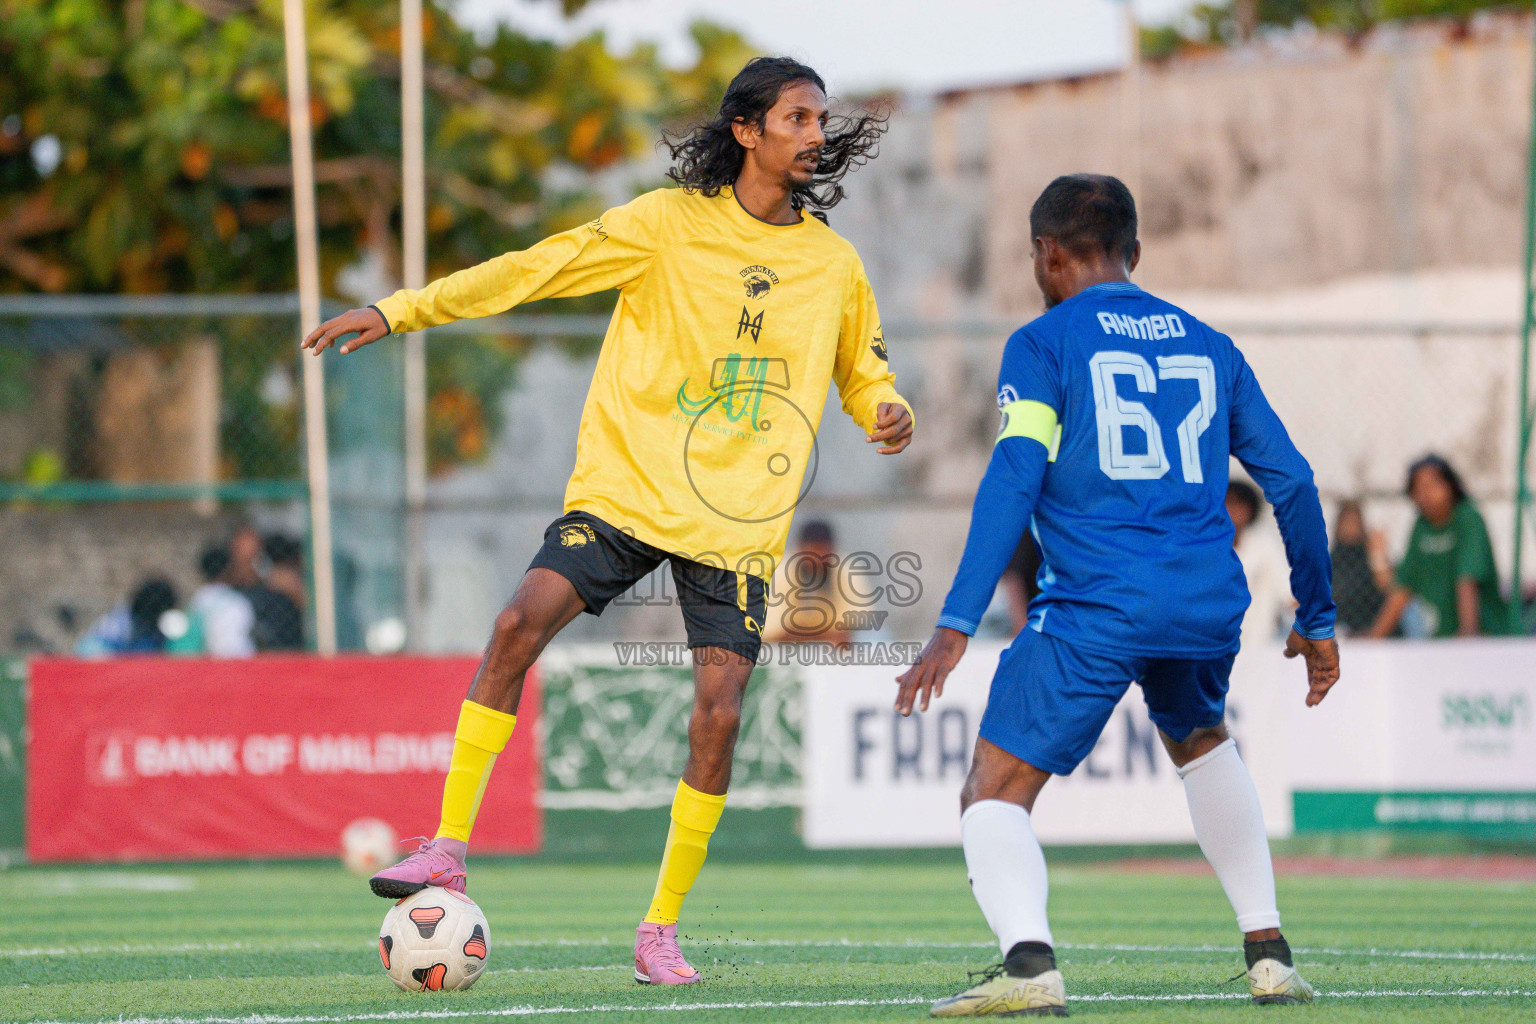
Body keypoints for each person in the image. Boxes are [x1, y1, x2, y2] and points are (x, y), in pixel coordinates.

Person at [301, 57, 913, 985]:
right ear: (746, 130)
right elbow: (535, 271)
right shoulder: (663, 224)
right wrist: (401, 310)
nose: (815, 134)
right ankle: (448, 845)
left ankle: (659, 929)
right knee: (515, 623)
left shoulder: (833, 261)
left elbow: (861, 368)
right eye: (796, 117)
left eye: (819, 119)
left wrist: (883, 409)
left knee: (718, 716)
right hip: (626, 493)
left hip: (738, 523)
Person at [896, 174, 1338, 1016]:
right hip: (1208, 599)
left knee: (993, 790)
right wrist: (1318, 619)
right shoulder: (1211, 343)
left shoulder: (1043, 342)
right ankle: (1268, 948)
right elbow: (1294, 481)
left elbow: (1015, 476)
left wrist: (956, 621)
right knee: (1203, 740)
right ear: (1135, 253)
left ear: (1045, 254)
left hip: (1098, 601)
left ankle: (1028, 968)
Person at [1368, 454, 1511, 638]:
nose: (1424, 495)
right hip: (1439, 639)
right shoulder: (1421, 526)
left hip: (1483, 637)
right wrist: (1373, 639)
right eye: (1417, 489)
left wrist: (1468, 638)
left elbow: (1467, 581)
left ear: (1451, 486)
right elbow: (1403, 588)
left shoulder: (1468, 518)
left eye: (1431, 486)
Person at [763, 519, 854, 646]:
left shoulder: (846, 571)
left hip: (831, 656)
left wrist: (801, 633)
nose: (818, 560)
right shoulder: (780, 572)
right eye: (812, 552)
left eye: (823, 551)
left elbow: (847, 633)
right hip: (782, 655)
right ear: (799, 549)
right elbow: (773, 634)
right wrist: (824, 634)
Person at [1227, 479, 1293, 641]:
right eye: (1228, 503)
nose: (1234, 510)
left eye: (1240, 504)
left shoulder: (1264, 543)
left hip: (1258, 643)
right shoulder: (1204, 545)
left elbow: (1287, 592)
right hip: (1214, 643)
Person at [1330, 499, 1392, 636]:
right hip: (1337, 631)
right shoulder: (1328, 561)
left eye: (1355, 522)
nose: (1351, 528)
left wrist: (1378, 556)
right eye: (1346, 522)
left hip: (1372, 628)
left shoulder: (1372, 556)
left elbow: (1388, 588)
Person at [188, 545, 257, 658]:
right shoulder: (237, 601)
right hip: (239, 659)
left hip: (207, 659)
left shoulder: (198, 600)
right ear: (229, 570)